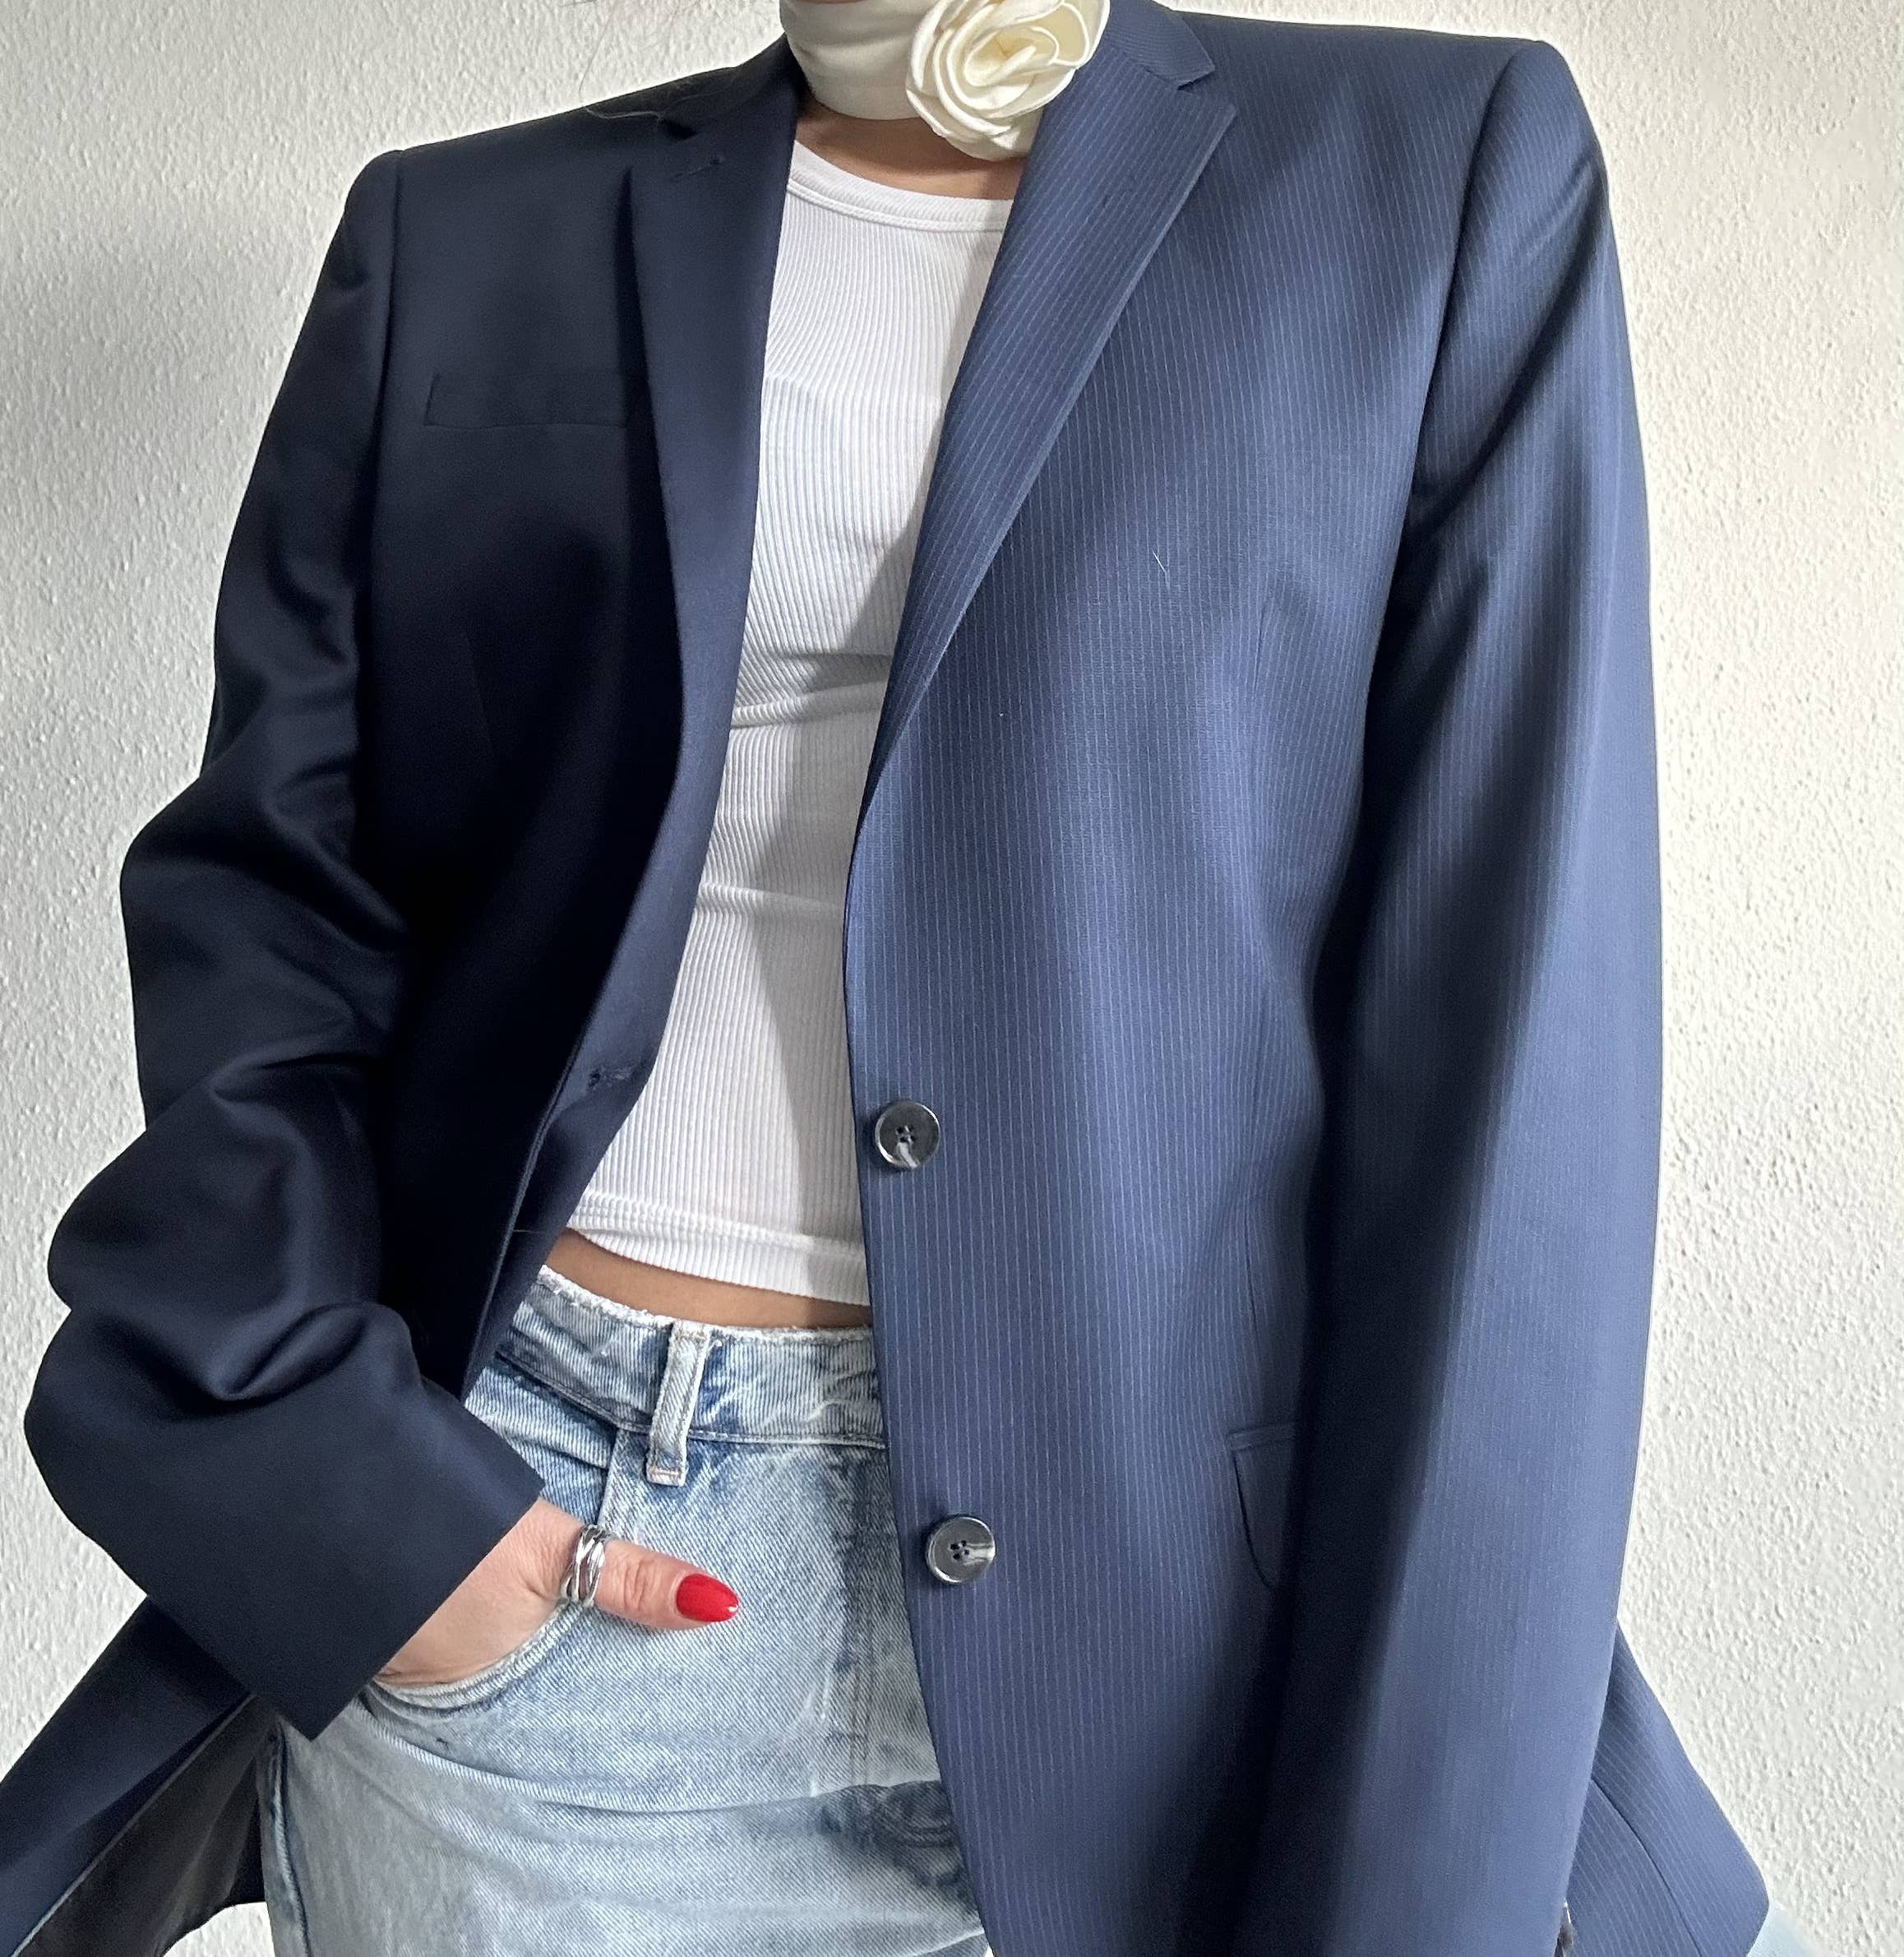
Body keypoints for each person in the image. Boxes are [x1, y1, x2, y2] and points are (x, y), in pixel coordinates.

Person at [0, 1, 1832, 1953]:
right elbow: (277, 911)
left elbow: (1514, 1044)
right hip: (558, 1595)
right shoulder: (469, 229)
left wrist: (1430, 1844)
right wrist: (382, 1510)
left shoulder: (1429, 168)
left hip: (1181, 1640)